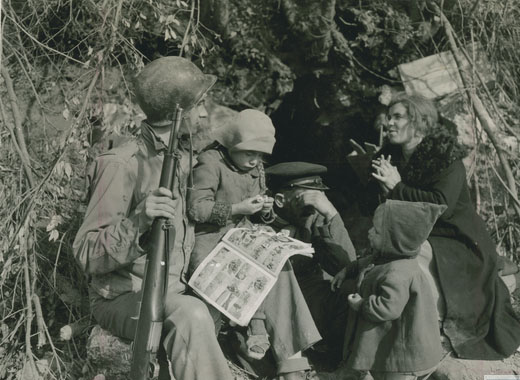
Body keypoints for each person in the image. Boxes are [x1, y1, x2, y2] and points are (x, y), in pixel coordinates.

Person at [73, 56, 232, 380]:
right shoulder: (122, 164)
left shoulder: (178, 157)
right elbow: (86, 253)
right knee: (192, 316)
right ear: (179, 112)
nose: (203, 113)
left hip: (173, 287)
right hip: (123, 298)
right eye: (199, 105)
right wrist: (138, 222)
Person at [368, 91, 520, 359]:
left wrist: (396, 186)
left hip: (455, 237)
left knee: (407, 264)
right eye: (388, 117)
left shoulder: (445, 157)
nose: (389, 123)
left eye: (398, 117)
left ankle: (425, 330)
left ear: (419, 122)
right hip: (415, 233)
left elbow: (441, 206)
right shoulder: (393, 155)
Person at [188, 114, 324, 379]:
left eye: (261, 156)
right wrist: (237, 208)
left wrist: (265, 210)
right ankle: (266, 335)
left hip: (243, 235)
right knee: (258, 268)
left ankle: (290, 360)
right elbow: (196, 208)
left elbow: (259, 211)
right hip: (211, 240)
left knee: (280, 265)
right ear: (232, 143)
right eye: (250, 153)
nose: (255, 161)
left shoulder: (254, 168)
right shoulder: (210, 162)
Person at [332, 200, 446, 380]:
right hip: (396, 347)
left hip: (403, 356)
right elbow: (368, 261)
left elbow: (387, 308)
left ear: (396, 240)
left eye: (376, 231)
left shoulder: (398, 273)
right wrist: (348, 270)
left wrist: (361, 305)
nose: (369, 232)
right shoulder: (390, 258)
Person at [265, 162, 357, 364]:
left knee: (352, 288)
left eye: (317, 200)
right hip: (278, 309)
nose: (312, 208)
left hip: (314, 301)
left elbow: (347, 265)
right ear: (280, 200)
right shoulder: (261, 222)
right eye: (304, 200)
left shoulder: (313, 217)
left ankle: (333, 357)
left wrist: (331, 215)